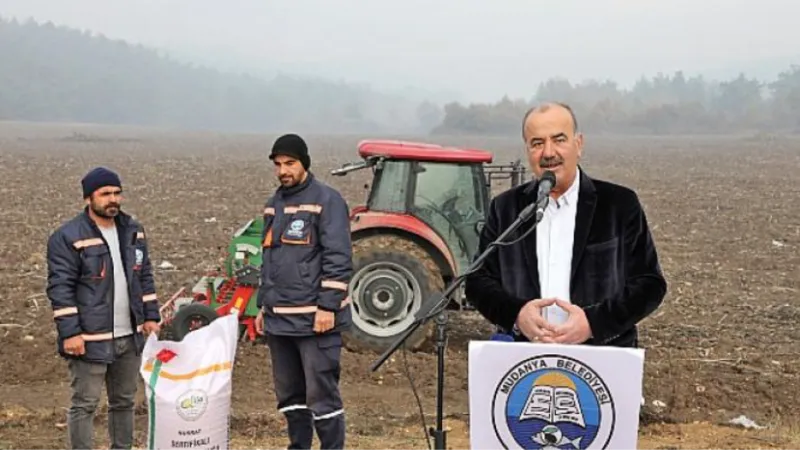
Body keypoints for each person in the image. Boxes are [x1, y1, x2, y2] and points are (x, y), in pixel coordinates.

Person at [464, 102, 667, 348]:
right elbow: (477, 281)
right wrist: (516, 314)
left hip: (601, 360)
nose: (548, 152)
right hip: (524, 360)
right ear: (528, 150)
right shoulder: (506, 208)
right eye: (537, 143)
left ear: (578, 144)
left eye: (559, 139)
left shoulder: (618, 205)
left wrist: (593, 323)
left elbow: (649, 283)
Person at [46, 167, 161, 450]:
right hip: (89, 338)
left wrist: (150, 316)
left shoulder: (133, 231)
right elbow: (61, 288)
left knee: (124, 403)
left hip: (128, 336)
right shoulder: (68, 236)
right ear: (89, 198)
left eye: (117, 193)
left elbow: (143, 276)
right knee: (85, 405)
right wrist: (71, 334)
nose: (113, 199)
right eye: (105, 194)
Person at [254, 133, 353, 450]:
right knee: (290, 397)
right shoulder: (274, 205)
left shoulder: (327, 200)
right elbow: (271, 260)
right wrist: (262, 307)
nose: (283, 170)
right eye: (278, 164)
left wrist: (328, 307)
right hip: (279, 320)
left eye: (290, 163)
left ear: (304, 163)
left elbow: (338, 257)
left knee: (321, 396)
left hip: (314, 320)